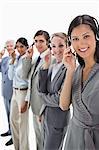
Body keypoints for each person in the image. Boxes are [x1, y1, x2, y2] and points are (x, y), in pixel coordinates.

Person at [59, 14, 99, 150]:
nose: (81, 43)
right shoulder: (76, 71)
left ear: (96, 36)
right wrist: (70, 70)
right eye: (75, 39)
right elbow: (64, 105)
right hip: (74, 138)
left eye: (86, 36)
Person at [38, 32, 70, 150]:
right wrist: (46, 65)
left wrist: (43, 97)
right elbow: (41, 89)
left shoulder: (69, 68)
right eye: (53, 46)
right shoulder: (52, 66)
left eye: (61, 45)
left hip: (58, 120)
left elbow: (59, 99)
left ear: (67, 46)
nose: (57, 50)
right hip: (47, 116)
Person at [21, 30, 50, 150]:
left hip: (43, 108)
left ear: (48, 42)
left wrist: (44, 110)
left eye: (41, 41)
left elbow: (48, 87)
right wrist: (28, 57)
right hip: (35, 106)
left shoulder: (50, 59)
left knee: (45, 140)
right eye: (36, 41)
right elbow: (25, 76)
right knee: (39, 139)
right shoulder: (37, 59)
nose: (38, 44)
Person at [8, 37, 29, 150]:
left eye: (22, 46)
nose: (19, 49)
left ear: (26, 47)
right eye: (18, 46)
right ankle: (17, 147)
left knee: (23, 125)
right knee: (13, 121)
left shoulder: (27, 59)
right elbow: (11, 77)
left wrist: (26, 100)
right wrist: (12, 61)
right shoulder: (16, 59)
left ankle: (24, 148)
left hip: (23, 92)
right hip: (14, 92)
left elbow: (29, 80)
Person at [0, 40, 15, 146]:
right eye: (7, 46)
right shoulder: (4, 59)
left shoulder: (17, 58)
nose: (9, 47)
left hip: (14, 91)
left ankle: (14, 136)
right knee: (8, 113)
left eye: (11, 45)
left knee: (14, 116)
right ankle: (10, 131)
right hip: (5, 91)